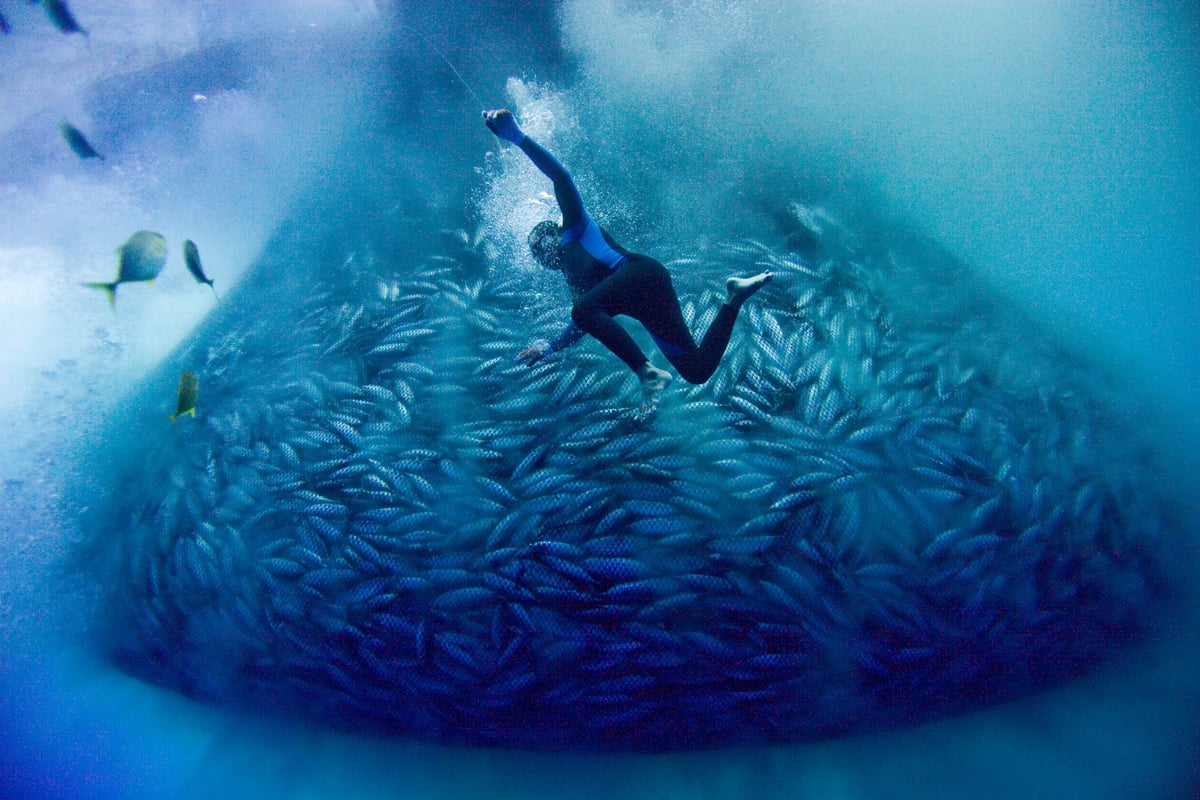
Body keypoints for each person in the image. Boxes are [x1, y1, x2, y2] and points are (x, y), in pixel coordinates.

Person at [483, 109, 772, 416]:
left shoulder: (574, 228)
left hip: (641, 274)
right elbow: (581, 325)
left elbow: (560, 177)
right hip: (651, 298)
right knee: (696, 371)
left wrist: (516, 137)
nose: (543, 255)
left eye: (541, 245)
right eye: (538, 255)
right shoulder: (577, 286)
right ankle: (733, 299)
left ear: (552, 235)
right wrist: (550, 348)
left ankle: (646, 373)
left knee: (582, 311)